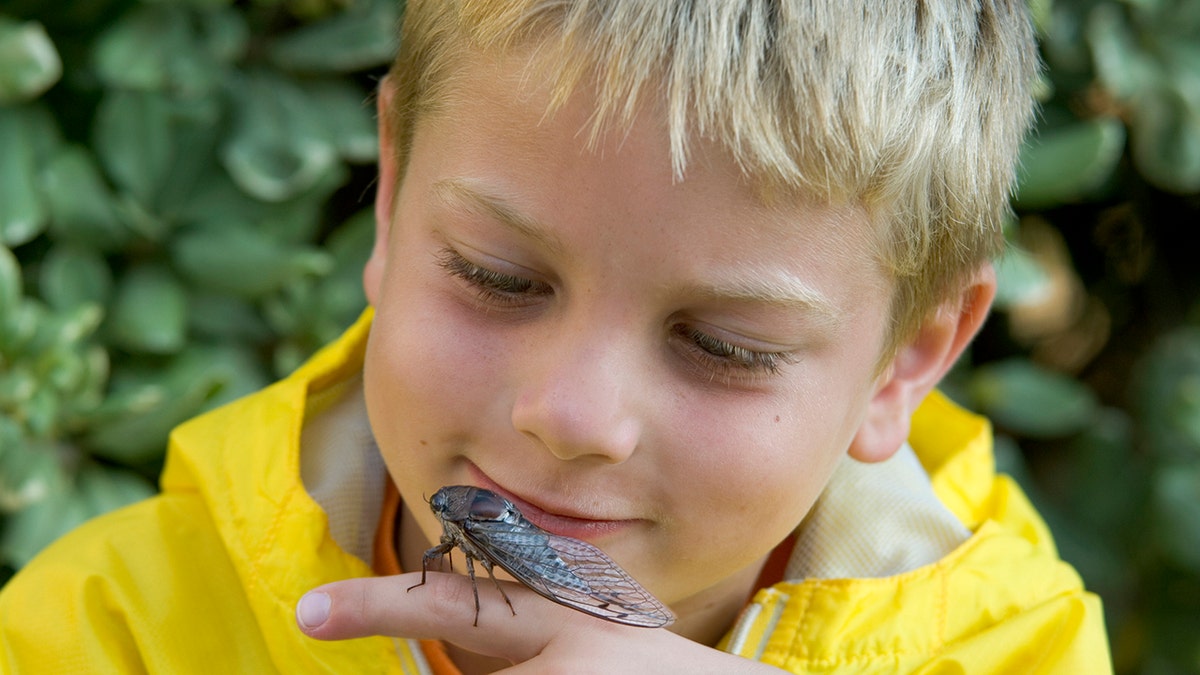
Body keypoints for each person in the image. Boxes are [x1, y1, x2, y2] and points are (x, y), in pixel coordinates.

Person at [0, 0, 1112, 672]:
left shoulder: (1013, 652)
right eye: (498, 277)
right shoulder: (105, 634)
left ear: (908, 358)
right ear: (391, 195)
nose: (571, 415)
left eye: (726, 346)